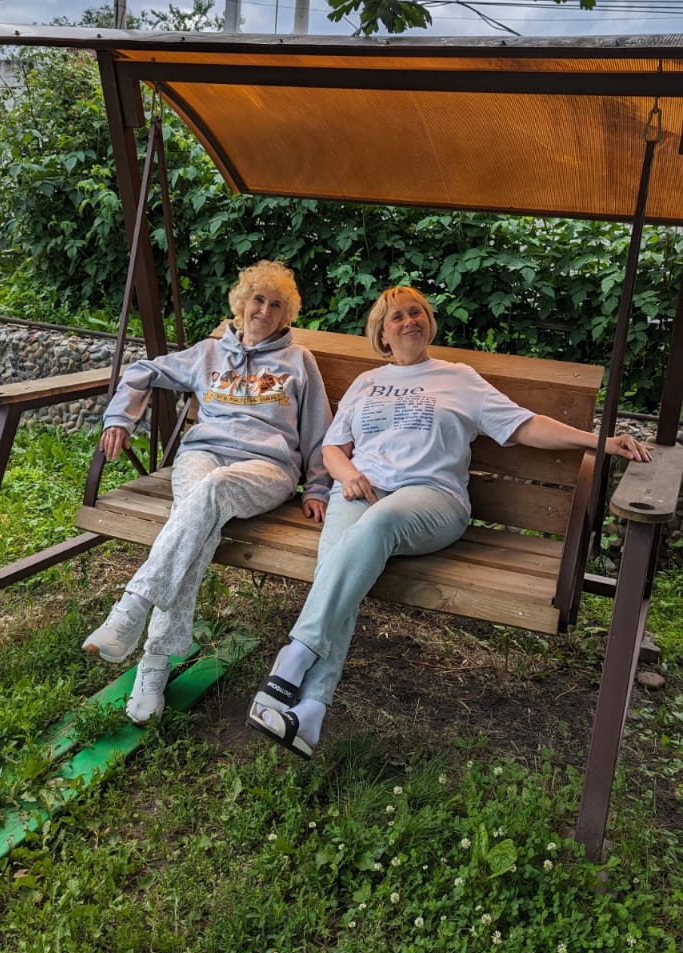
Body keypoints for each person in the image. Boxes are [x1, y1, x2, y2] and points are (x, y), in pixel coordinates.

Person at [248, 285, 651, 760]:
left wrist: (600, 441)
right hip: (359, 490)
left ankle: (295, 654)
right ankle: (311, 711)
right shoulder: (366, 382)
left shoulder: (459, 378)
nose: (409, 321)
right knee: (338, 564)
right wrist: (348, 474)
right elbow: (334, 447)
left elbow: (523, 424)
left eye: (416, 312)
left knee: (374, 528)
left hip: (431, 498)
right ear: (382, 335)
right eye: (397, 317)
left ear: (429, 322)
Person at [83, 259, 332, 724]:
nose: (265, 310)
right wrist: (119, 418)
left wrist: (317, 486)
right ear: (241, 303)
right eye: (258, 299)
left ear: (287, 315)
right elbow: (143, 370)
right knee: (198, 523)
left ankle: (131, 609)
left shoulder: (300, 362)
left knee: (211, 491)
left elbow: (320, 431)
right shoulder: (209, 353)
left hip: (267, 467)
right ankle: (154, 662)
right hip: (203, 454)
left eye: (277, 305)